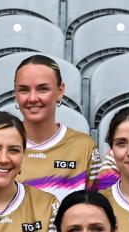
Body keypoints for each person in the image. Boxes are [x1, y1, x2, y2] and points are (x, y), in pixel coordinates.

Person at [9, 54, 109, 199]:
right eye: (24, 90)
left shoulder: (83, 146)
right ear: (15, 93)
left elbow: (96, 206)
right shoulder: (0, 144)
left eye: (42, 89)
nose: (32, 98)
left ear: (60, 91)